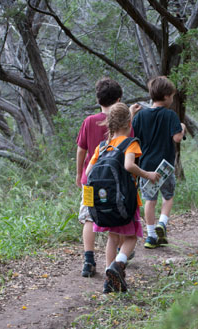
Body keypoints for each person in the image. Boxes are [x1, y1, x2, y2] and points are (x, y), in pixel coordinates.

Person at [86, 103, 160, 293]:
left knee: (112, 237)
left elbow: (88, 173)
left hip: (106, 203)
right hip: (126, 202)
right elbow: (128, 166)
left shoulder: (102, 147)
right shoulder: (131, 143)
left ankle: (108, 280)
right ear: (129, 122)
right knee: (131, 237)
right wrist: (147, 174)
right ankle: (118, 265)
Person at [132, 76, 186, 249]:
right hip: (165, 166)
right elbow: (177, 138)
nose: (172, 99)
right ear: (165, 96)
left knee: (149, 200)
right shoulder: (170, 115)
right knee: (168, 196)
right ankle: (162, 223)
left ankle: (151, 236)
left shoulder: (141, 116)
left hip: (146, 166)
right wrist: (182, 127)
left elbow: (133, 138)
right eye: (171, 96)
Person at [76, 77, 123, 277]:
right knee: (117, 218)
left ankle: (88, 261)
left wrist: (79, 174)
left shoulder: (89, 121)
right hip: (116, 183)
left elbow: (81, 150)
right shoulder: (124, 123)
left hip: (91, 181)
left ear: (98, 100)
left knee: (88, 217)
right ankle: (117, 257)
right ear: (119, 99)